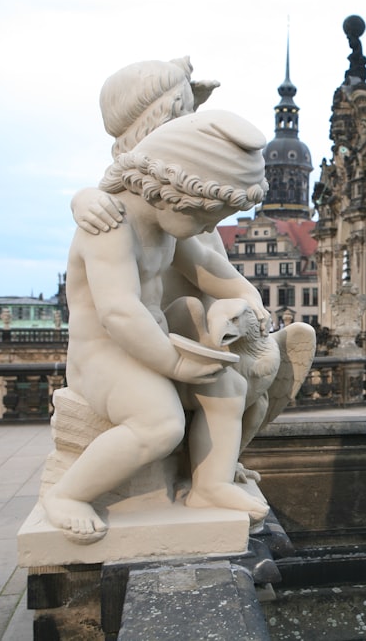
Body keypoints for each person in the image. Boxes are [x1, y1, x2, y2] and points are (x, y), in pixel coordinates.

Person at [42, 110, 269, 544]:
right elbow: (120, 313)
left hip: (150, 342)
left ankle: (209, 485)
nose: (210, 228)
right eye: (207, 216)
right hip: (103, 356)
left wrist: (248, 296)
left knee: (229, 388)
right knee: (160, 423)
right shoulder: (110, 226)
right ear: (173, 192)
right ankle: (67, 494)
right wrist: (174, 364)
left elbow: (206, 265)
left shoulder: (166, 227)